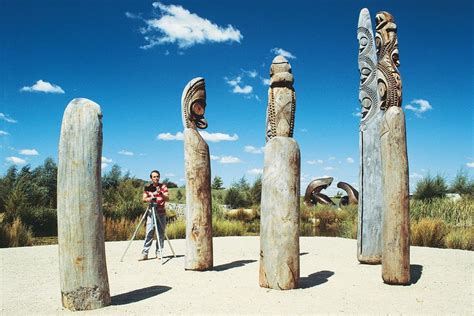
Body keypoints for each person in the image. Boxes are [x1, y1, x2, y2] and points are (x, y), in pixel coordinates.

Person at [140, 170, 169, 260]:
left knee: (160, 233)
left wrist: (160, 193)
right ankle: (145, 253)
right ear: (151, 178)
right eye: (154, 177)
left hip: (161, 213)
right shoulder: (148, 187)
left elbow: (167, 198)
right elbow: (144, 199)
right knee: (149, 232)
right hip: (151, 213)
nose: (156, 178)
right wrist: (150, 198)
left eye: (157, 176)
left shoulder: (163, 186)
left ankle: (159, 252)